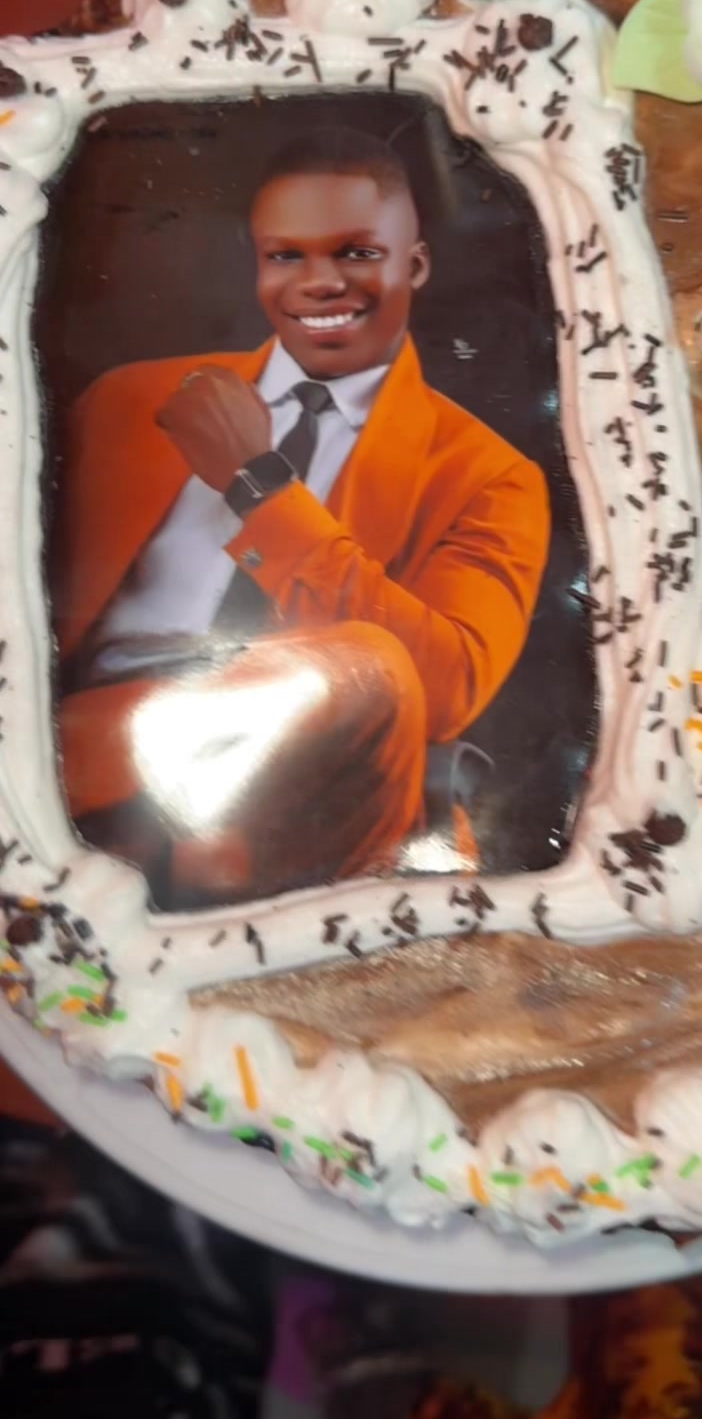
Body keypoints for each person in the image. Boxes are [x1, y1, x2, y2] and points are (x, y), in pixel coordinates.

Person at [53, 129, 550, 901]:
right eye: (287, 256)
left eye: (357, 253)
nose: (319, 282)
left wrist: (259, 485)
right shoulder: (127, 401)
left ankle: (199, 862)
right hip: (84, 760)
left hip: (312, 792)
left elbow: (440, 690)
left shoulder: (489, 477)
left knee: (368, 670)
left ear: (415, 265)